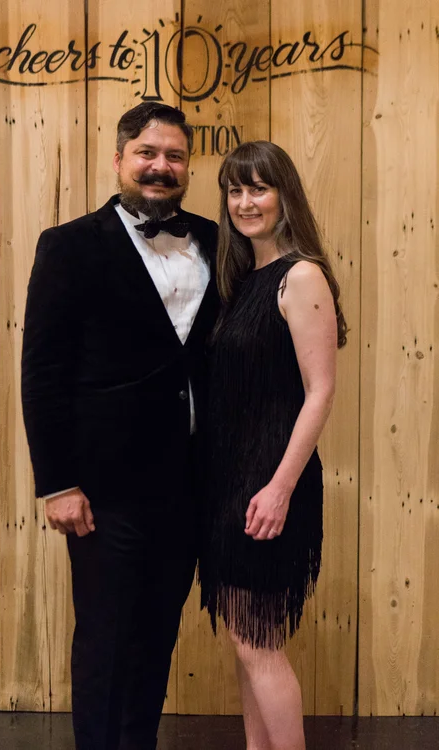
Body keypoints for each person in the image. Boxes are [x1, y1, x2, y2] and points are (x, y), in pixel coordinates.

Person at [21, 102, 219, 750]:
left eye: (174, 156)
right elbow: (43, 373)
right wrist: (57, 483)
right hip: (104, 490)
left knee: (156, 637)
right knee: (106, 641)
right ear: (119, 160)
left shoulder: (219, 242)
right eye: (147, 153)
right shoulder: (69, 245)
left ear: (188, 166)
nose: (161, 167)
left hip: (189, 486)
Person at [199, 141, 347, 750]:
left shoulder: (301, 275)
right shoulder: (243, 280)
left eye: (258, 188)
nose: (244, 202)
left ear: (285, 195)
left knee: (258, 644)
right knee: (248, 643)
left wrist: (280, 488)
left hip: (269, 481)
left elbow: (321, 391)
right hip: (230, 481)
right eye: (234, 190)